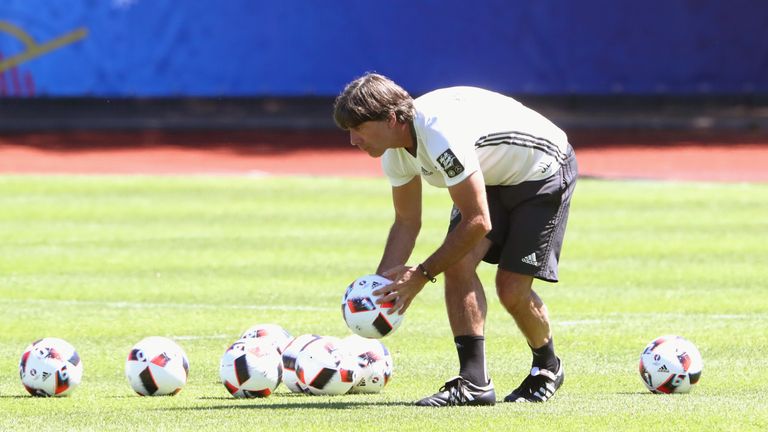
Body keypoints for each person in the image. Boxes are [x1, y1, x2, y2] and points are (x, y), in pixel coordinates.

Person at [333, 72, 578, 407]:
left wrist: (418, 276)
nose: (353, 141)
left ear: (391, 119)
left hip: (541, 169)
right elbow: (406, 222)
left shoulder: (438, 133)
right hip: (491, 173)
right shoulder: (394, 151)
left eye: (358, 128)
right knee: (457, 263)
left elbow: (477, 221)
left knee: (510, 288)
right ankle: (475, 384)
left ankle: (548, 367)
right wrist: (379, 295)